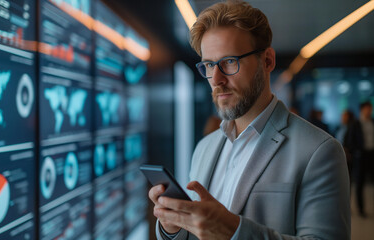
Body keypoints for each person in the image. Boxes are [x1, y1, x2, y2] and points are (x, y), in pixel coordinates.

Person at [148, 1, 350, 239]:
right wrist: (174, 227)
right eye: (209, 65)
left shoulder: (320, 151)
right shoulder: (205, 147)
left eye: (230, 62)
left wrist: (233, 231)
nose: (217, 79)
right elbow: (198, 230)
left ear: (267, 61)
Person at [354, 101, 374, 217]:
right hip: (361, 155)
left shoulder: (372, 122)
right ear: (362, 110)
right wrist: (356, 151)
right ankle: (360, 209)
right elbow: (351, 139)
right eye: (367, 109)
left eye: (370, 109)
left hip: (372, 154)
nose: (368, 111)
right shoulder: (356, 123)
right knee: (360, 183)